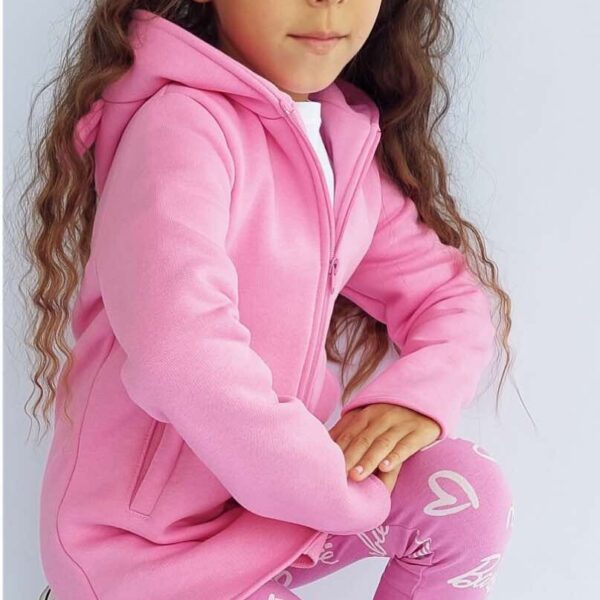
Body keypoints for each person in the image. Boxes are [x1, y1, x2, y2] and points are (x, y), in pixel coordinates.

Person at [19, 1, 516, 598]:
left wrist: (415, 399)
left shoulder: (341, 147)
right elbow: (179, 355)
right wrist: (332, 489)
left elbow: (446, 293)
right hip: (144, 556)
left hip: (267, 511)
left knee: (466, 492)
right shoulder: (179, 128)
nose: (327, 2)